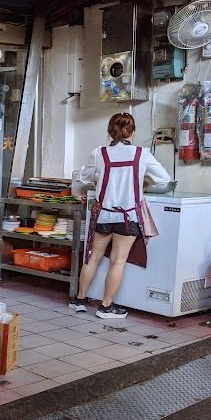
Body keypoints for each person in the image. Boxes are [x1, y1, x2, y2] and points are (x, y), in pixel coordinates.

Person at [70, 112, 170, 319]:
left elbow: (84, 176)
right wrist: (142, 182)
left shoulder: (100, 153)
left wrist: (100, 178)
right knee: (118, 261)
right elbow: (164, 178)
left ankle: (80, 300)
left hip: (104, 216)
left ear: (110, 131)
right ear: (132, 132)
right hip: (129, 217)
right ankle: (106, 307)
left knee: (92, 258)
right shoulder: (142, 153)